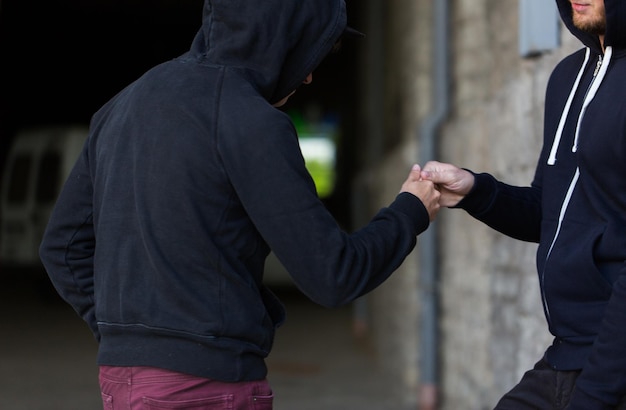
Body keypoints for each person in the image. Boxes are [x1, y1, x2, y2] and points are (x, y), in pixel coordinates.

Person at [38, 0, 440, 408]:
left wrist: (129, 337)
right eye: (307, 51)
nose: (309, 75)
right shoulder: (251, 120)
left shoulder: (122, 105)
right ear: (278, 40)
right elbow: (334, 274)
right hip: (205, 389)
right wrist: (411, 209)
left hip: (122, 381)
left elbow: (62, 248)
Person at [421, 0, 626, 408]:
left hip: (611, 360)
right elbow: (547, 212)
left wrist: (595, 394)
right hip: (568, 353)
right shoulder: (567, 78)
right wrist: (476, 191)